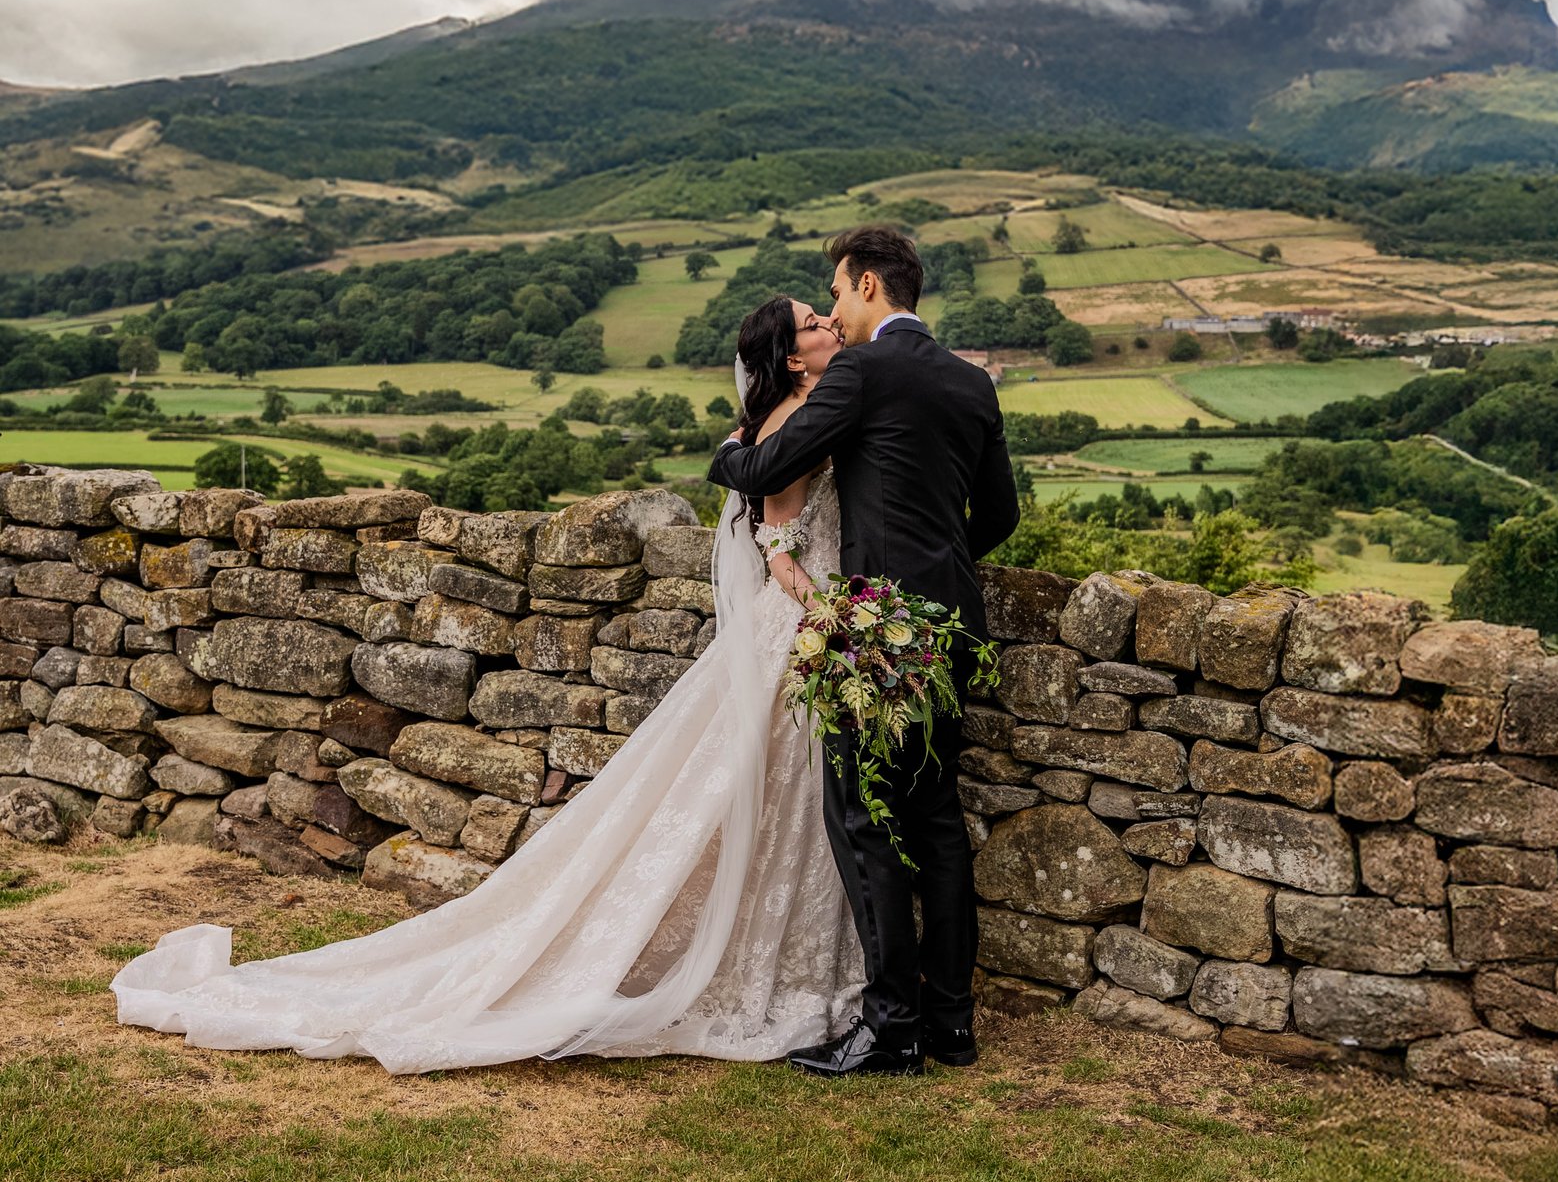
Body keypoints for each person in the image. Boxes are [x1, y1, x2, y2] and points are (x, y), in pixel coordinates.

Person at [111, 299, 866, 1074]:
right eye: (813, 322)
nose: (829, 325)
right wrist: (839, 616)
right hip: (802, 626)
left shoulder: (810, 410)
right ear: (792, 356)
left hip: (807, 630)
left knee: (782, 798)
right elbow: (779, 550)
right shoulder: (787, 425)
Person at [711, 223, 1018, 1079]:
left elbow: (779, 458)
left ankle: (892, 1031)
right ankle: (952, 1027)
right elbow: (998, 516)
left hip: (874, 631)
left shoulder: (861, 368)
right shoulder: (971, 381)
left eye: (838, 290)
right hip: (952, 630)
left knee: (862, 819)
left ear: (871, 287)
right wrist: (939, 566)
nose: (835, 309)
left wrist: (728, 454)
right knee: (939, 822)